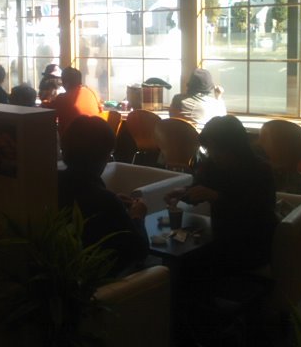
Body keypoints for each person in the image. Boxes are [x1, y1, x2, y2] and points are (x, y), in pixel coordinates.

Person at [165, 115, 278, 276]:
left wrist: (216, 197)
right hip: (222, 236)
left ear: (235, 147)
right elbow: (201, 187)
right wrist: (184, 192)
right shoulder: (213, 165)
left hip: (254, 242)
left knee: (189, 263)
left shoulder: (260, 170)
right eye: (210, 150)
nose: (214, 155)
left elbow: (258, 212)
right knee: (178, 258)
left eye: (218, 150)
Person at [58, 115, 149, 275]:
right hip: (98, 281)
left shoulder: (51, 183)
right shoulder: (105, 201)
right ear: (104, 156)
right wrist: (138, 216)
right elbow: (139, 251)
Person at [46, 67, 102, 136]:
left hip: (72, 139)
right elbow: (100, 110)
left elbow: (47, 112)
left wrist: (45, 98)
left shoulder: (62, 98)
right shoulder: (93, 92)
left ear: (66, 83)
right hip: (96, 136)